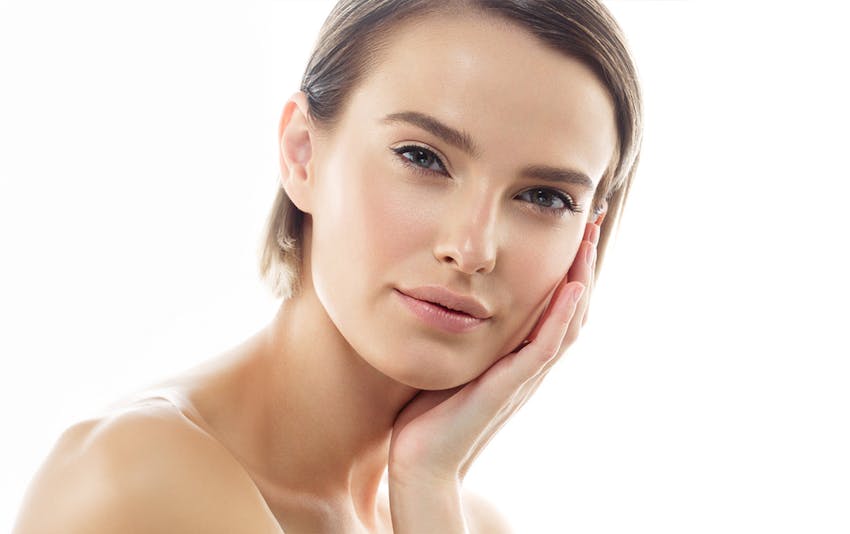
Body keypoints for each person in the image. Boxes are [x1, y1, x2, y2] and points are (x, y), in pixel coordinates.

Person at [13, 0, 642, 532]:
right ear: (302, 153)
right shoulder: (137, 480)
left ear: (586, 242)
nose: (472, 248)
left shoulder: (458, 514)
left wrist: (426, 483)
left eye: (544, 198)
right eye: (423, 157)